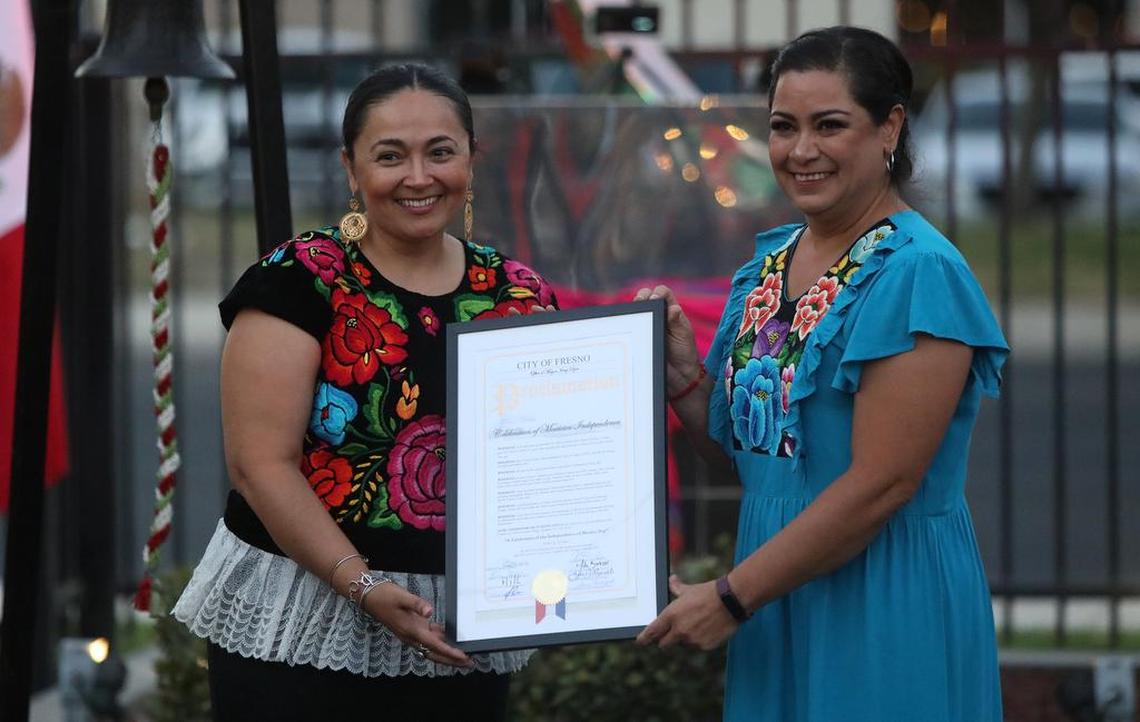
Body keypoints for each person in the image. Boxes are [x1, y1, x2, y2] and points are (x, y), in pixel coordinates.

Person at [635, 26, 1009, 722]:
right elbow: (760, 460)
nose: (801, 151)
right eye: (783, 127)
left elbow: (881, 485)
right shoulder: (770, 265)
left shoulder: (919, 273)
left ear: (890, 126)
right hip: (776, 592)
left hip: (881, 599)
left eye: (829, 125)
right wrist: (686, 380)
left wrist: (731, 596)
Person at [173, 63, 557, 721]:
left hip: (461, 629)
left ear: (471, 159)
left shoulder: (517, 294)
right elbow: (260, 466)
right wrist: (364, 584)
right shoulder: (300, 280)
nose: (418, 176)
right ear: (352, 169)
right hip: (300, 624)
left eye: (440, 152)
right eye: (390, 156)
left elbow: (550, 460)